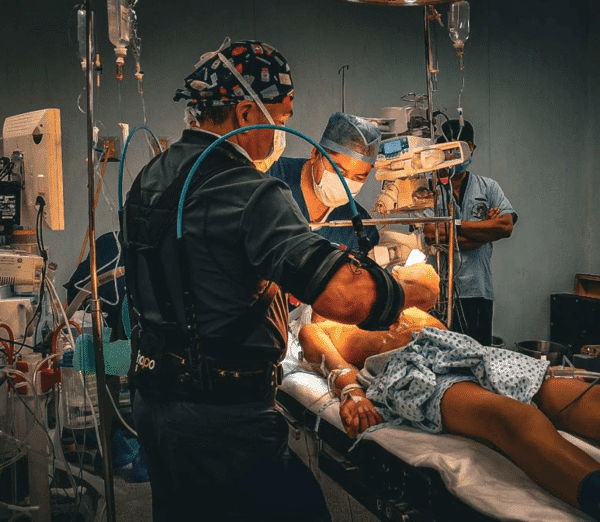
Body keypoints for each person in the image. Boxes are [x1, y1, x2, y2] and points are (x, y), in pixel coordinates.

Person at [122, 37, 440, 522]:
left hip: (156, 404)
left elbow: (203, 273)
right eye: (281, 118)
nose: (280, 134)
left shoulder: (150, 177)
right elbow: (345, 298)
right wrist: (414, 288)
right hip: (225, 422)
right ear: (247, 112)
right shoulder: (249, 190)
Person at [298, 311, 600, 521]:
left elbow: (425, 283)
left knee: (584, 397)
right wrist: (353, 393)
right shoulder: (320, 325)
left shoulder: (388, 297)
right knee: (511, 418)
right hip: (412, 367)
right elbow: (333, 364)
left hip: (466, 350)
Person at [423, 119, 517, 346]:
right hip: (439, 292)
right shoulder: (429, 190)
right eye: (449, 149)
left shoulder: (488, 187)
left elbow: (505, 227)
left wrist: (453, 227)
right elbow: (430, 232)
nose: (455, 155)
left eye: (462, 148)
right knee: (439, 356)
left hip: (478, 290)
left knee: (477, 356)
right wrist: (484, 231)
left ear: (472, 147)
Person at [268, 112, 380, 252]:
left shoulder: (360, 230)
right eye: (339, 171)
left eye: (359, 178)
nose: (346, 183)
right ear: (315, 153)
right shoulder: (269, 176)